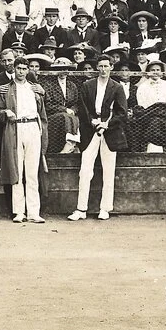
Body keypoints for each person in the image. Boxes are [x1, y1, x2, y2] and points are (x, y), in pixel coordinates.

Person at [68, 55, 128, 221]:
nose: (103, 69)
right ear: (97, 68)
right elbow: (83, 107)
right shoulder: (87, 85)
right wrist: (93, 122)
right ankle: (81, 209)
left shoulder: (117, 87)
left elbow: (122, 112)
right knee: (85, 170)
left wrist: (107, 124)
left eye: (106, 66)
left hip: (110, 132)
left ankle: (105, 208)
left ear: (111, 68)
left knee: (108, 171)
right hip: (90, 131)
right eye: (100, 66)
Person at [0, 56, 48, 223]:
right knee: (17, 172)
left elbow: (42, 112)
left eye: (25, 69)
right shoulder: (6, 89)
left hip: (32, 128)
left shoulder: (35, 89)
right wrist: (5, 113)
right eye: (19, 68)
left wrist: (42, 133)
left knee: (32, 172)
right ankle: (19, 211)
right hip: (15, 128)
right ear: (14, 69)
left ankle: (33, 212)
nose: (22, 72)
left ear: (28, 70)